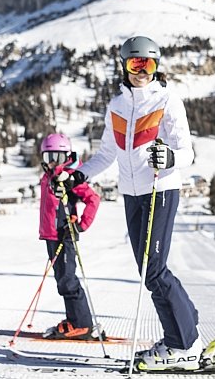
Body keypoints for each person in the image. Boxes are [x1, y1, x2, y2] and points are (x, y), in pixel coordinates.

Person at [71, 36, 202, 371]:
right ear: (124, 65)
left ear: (157, 67)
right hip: (132, 194)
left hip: (160, 189)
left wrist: (170, 156)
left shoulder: (168, 100)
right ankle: (186, 329)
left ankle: (182, 344)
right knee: (149, 271)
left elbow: (187, 152)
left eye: (149, 64)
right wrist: (79, 176)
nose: (142, 71)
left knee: (155, 270)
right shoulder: (116, 106)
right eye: (135, 64)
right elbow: (106, 155)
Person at [37, 133, 101, 340]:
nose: (53, 163)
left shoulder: (71, 177)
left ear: (67, 156)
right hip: (50, 235)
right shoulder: (49, 176)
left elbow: (93, 199)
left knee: (68, 279)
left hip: (65, 234)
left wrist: (81, 226)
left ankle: (83, 324)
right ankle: (74, 320)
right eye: (48, 158)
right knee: (62, 280)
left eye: (57, 157)